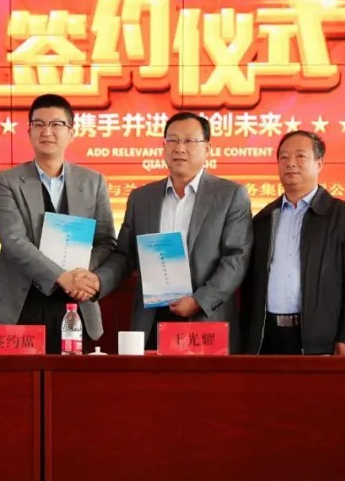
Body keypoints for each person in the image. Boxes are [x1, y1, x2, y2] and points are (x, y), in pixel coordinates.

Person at [94, 112, 252, 352]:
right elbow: (125, 255)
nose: (179, 148)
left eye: (189, 141)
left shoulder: (231, 195)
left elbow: (237, 258)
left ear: (207, 149)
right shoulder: (141, 198)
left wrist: (199, 301)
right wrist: (98, 281)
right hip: (152, 318)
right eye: (173, 140)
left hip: (204, 317)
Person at [0, 94, 115, 353]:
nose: (47, 131)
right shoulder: (6, 181)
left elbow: (106, 241)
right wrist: (62, 277)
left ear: (71, 132)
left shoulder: (93, 181)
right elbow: (13, 240)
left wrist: (81, 275)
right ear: (29, 132)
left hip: (75, 304)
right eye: (38, 124)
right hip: (20, 305)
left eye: (56, 124)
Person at [241, 131, 345, 355]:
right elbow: (250, 287)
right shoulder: (264, 219)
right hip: (267, 338)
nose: (291, 163)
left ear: (319, 163)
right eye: (284, 157)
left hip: (320, 339)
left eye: (300, 156)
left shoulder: (343, 215)